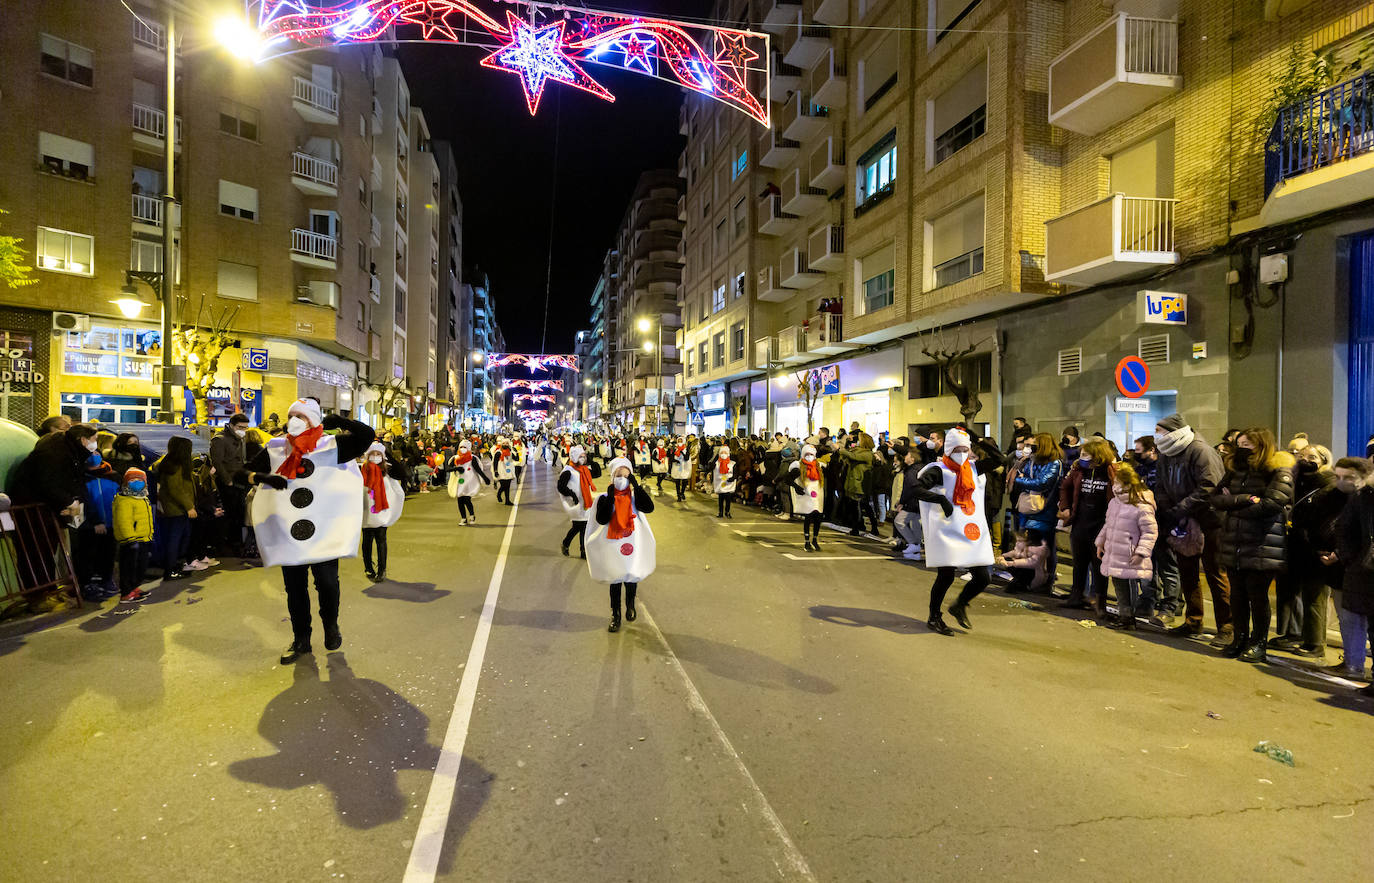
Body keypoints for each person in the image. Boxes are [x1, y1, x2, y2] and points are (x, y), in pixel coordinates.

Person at [246, 398, 376, 665]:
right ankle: (301, 639)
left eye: (302, 416)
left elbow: (366, 435)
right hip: (287, 533)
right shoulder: (276, 449)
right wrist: (260, 478)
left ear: (315, 420)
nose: (295, 420)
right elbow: (240, 472)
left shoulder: (333, 447)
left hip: (323, 533)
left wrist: (339, 422)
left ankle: (331, 626)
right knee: (295, 590)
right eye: (292, 414)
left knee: (327, 584)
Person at [1211, 428, 1295, 663]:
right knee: (1237, 595)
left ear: (1261, 445)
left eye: (1247, 444)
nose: (1241, 447)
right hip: (1234, 542)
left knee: (1257, 596)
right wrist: (1244, 499)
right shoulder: (1235, 470)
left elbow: (1273, 503)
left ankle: (1258, 643)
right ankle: (1239, 638)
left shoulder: (1277, 470)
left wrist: (1234, 508)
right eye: (1239, 443)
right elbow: (1216, 498)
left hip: (1263, 543)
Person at [905, 428, 998, 634]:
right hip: (947, 530)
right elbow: (916, 488)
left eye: (966, 448)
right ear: (948, 449)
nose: (963, 453)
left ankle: (960, 604)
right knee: (945, 576)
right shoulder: (939, 470)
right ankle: (934, 616)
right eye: (958, 448)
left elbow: (999, 459)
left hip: (969, 530)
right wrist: (940, 499)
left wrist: (979, 439)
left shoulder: (973, 468)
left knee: (983, 577)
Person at [1154, 414, 1232, 646]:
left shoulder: (1200, 451)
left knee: (1215, 572)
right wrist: (1169, 509)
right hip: (1181, 520)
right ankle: (1193, 619)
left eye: (1160, 430)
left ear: (1174, 431)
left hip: (1210, 520)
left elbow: (1209, 485)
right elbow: (1160, 485)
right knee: (1187, 571)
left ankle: (1227, 625)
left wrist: (1180, 508)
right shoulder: (1166, 452)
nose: (1157, 434)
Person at [1274, 444, 1340, 657]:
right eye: (1301, 455)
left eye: (1311, 456)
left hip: (1316, 549)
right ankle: (1292, 634)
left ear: (1323, 460)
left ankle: (1315, 644)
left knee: (1315, 597)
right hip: (1295, 546)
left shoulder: (1329, 485)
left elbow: (1331, 521)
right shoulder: (1297, 482)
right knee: (1291, 592)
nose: (1304, 459)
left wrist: (1324, 546)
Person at [586, 457, 656, 633]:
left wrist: (636, 485)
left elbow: (648, 507)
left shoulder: (635, 498)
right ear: (612, 476)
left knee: (631, 576)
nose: (622, 479)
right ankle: (615, 614)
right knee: (615, 580)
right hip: (613, 545)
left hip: (632, 544)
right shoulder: (604, 498)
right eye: (618, 475)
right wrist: (610, 497)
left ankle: (630, 605)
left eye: (626, 475)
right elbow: (601, 518)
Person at [1094, 463, 1157, 630]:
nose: (1115, 486)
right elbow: (1108, 525)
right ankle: (1124, 614)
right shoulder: (1115, 503)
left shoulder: (1141, 505)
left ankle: (1129, 617)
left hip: (1129, 553)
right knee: (1118, 583)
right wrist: (1100, 542)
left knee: (1128, 585)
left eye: (1118, 483)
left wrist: (1141, 552)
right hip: (1115, 551)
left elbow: (1150, 532)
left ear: (1129, 484)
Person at [1329, 457, 1374, 688]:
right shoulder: (1362, 497)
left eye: (1348, 477)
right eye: (1338, 477)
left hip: (1361, 567)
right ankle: (1356, 667)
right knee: (1360, 620)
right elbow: (1344, 528)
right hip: (1362, 569)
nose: (1342, 482)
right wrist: (1350, 557)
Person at [1059, 439, 1116, 614]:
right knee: (1079, 562)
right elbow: (1065, 488)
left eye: (1085, 454)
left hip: (1101, 524)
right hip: (1080, 522)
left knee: (1099, 564)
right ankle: (1076, 596)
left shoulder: (1110, 472)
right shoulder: (1078, 470)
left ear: (1097, 455)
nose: (1081, 457)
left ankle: (1100, 602)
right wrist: (1065, 507)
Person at [1006, 433, 1064, 594]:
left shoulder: (1054, 463)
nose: (1029, 448)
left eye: (1033, 445)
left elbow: (1041, 483)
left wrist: (1020, 479)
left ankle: (1043, 581)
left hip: (1045, 511)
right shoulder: (1031, 461)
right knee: (1029, 546)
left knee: (1045, 547)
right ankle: (1029, 580)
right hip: (1030, 509)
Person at [360, 441, 406, 582]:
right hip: (366, 511)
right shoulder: (362, 469)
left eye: (378, 454)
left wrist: (389, 456)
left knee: (381, 540)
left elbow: (402, 474)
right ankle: (368, 567)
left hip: (382, 511)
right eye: (372, 454)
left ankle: (382, 570)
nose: (375, 456)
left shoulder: (388, 469)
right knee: (367, 541)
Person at [154, 436, 197, 581]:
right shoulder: (175, 466)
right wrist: (189, 506)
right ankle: (170, 569)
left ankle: (174, 566)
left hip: (176, 508)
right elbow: (176, 489)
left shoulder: (171, 463)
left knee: (178, 538)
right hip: (176, 508)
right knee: (175, 539)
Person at [210, 413, 252, 556]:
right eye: (240, 427)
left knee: (239, 514)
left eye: (246, 428)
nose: (243, 430)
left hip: (239, 481)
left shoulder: (240, 438)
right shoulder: (220, 439)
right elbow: (218, 462)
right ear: (232, 425)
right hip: (227, 482)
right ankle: (230, 545)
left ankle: (237, 543)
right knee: (231, 514)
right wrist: (227, 480)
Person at [112, 467, 155, 603]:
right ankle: (126, 592)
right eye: (133, 480)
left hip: (142, 538)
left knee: (140, 566)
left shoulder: (142, 497)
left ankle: (133, 587)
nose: (137, 483)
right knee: (128, 567)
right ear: (126, 482)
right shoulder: (124, 499)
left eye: (139, 480)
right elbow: (123, 521)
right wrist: (130, 539)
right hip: (131, 540)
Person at [558, 445, 601, 558]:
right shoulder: (568, 471)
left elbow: (597, 473)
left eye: (584, 456)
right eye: (581, 456)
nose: (583, 458)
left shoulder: (584, 469)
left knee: (583, 526)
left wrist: (590, 461)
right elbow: (561, 487)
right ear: (575, 457)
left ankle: (581, 549)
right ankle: (568, 544)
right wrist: (572, 495)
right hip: (575, 504)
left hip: (585, 503)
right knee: (579, 526)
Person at [788, 443, 825, 551]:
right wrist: (796, 487)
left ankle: (815, 540)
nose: (810, 456)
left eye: (812, 454)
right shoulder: (798, 466)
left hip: (818, 495)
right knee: (808, 517)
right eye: (807, 454)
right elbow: (788, 479)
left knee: (818, 518)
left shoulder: (819, 466)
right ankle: (807, 541)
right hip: (806, 495)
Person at [450, 440, 490, 524]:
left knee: (467, 499)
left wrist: (485, 478)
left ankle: (472, 515)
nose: (462, 449)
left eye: (465, 447)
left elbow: (477, 469)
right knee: (460, 500)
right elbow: (448, 468)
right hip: (459, 482)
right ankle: (463, 518)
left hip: (469, 481)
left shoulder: (472, 458)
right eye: (461, 447)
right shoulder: (455, 458)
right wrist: (455, 468)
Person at [712, 445, 738, 518]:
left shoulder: (732, 463)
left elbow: (735, 472)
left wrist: (733, 478)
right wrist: (716, 458)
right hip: (720, 484)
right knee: (721, 499)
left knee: (728, 499)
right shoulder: (716, 463)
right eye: (722, 452)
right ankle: (720, 512)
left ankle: (727, 512)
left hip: (728, 484)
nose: (723, 454)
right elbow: (710, 466)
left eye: (725, 452)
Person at [493, 438, 516, 505]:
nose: (505, 444)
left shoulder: (510, 452)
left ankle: (507, 501)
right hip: (501, 471)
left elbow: (516, 458)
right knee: (503, 486)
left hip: (508, 472)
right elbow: (495, 462)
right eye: (504, 443)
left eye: (507, 443)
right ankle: (499, 494)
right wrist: (495, 471)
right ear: (501, 444)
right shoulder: (498, 452)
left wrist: (515, 451)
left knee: (507, 486)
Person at [669, 436, 692, 501]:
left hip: (684, 467)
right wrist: (675, 461)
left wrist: (681, 452)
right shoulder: (675, 449)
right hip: (677, 467)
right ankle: (678, 495)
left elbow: (686, 458)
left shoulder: (686, 449)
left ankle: (682, 492)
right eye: (678, 441)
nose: (679, 442)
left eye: (681, 441)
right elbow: (671, 458)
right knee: (677, 482)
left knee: (684, 481)